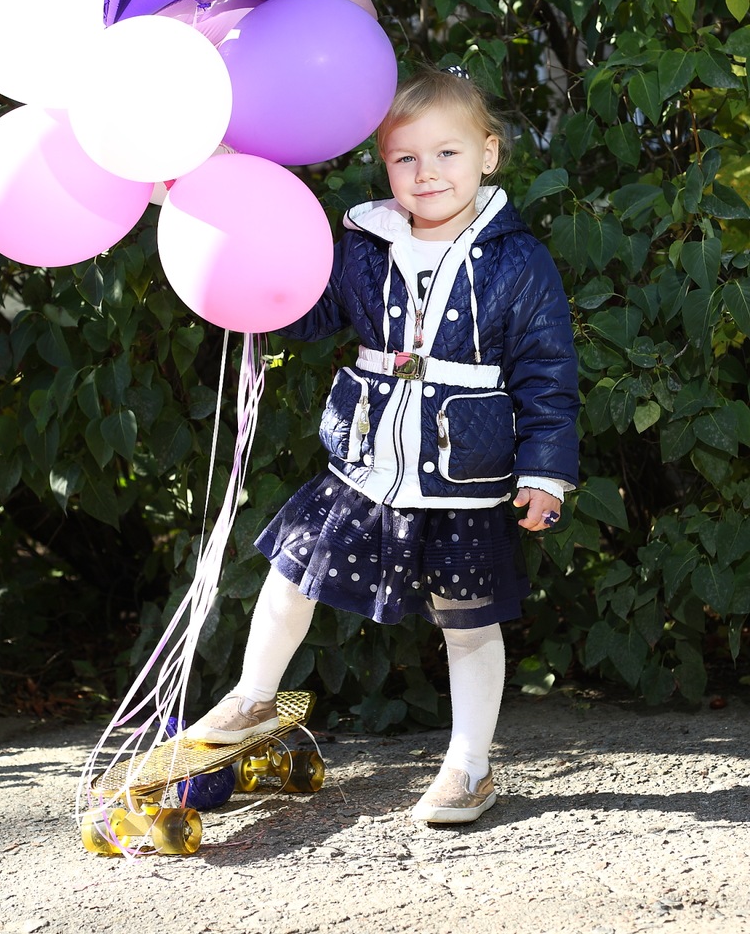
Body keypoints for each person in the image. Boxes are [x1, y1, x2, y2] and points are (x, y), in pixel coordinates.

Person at [186, 64, 579, 824]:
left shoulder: (517, 260)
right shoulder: (364, 247)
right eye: (406, 157)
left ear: (489, 154)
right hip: (365, 462)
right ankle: (253, 698)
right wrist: (251, 282)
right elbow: (307, 311)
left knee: (468, 620)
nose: (427, 173)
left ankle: (469, 767)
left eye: (447, 153)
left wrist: (545, 472)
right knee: (292, 570)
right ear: (384, 165)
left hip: (464, 474)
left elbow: (548, 371)